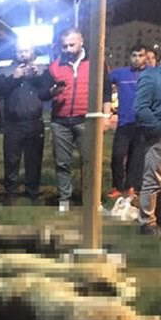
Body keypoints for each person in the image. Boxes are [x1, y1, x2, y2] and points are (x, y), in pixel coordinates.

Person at [38, 28, 110, 212]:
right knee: (62, 163)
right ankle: (65, 199)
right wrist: (53, 91)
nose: (68, 49)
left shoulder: (95, 63)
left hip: (86, 120)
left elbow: (106, 90)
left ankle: (92, 200)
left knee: (90, 161)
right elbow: (42, 93)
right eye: (64, 46)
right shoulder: (55, 66)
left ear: (81, 41)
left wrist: (106, 116)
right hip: (60, 121)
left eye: (72, 45)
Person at [0, 43, 46, 203]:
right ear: (15, 53)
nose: (23, 54)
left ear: (32, 52)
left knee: (34, 160)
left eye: (26, 50)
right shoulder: (6, 71)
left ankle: (32, 191)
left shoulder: (41, 70)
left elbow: (47, 91)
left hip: (34, 122)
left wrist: (37, 77)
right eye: (19, 51)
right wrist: (14, 78)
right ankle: (10, 192)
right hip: (13, 124)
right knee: (11, 160)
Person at [106, 45, 148, 199]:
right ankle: (118, 186)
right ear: (130, 57)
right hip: (124, 122)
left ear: (145, 57)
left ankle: (131, 187)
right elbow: (103, 81)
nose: (137, 58)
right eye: (134, 55)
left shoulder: (152, 74)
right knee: (117, 155)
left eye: (140, 55)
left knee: (136, 158)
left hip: (143, 124)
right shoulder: (120, 73)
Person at [135, 59, 161, 236]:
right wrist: (159, 130)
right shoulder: (152, 75)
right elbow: (141, 108)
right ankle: (147, 222)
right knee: (154, 179)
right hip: (160, 134)